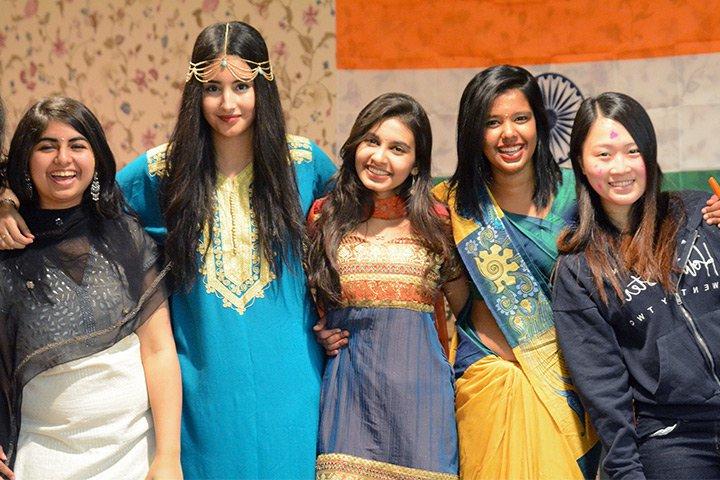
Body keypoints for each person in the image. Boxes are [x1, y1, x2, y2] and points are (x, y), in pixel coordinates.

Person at [0, 22, 335, 478]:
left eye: (242, 86)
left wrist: (339, 316)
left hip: (294, 384)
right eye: (213, 88)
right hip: (201, 395)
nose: (228, 103)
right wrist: (6, 201)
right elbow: (75, 193)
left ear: (265, 86)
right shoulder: (159, 173)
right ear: (194, 92)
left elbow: (363, 227)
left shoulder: (305, 163)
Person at [432, 65, 600, 479]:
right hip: (490, 382)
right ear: (473, 132)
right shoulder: (449, 207)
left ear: (539, 125)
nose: (509, 133)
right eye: (492, 122)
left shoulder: (578, 196)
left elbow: (641, 237)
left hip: (572, 391)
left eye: (520, 118)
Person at [0, 97, 181, 480]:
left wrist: (168, 457)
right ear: (25, 161)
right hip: (44, 459)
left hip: (135, 454)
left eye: (77, 145)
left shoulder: (128, 237)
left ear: (96, 158)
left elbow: (159, 349)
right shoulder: (7, 250)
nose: (63, 158)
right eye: (47, 146)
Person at [553, 92, 720, 480]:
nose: (620, 167)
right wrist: (626, 472)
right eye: (604, 155)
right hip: (672, 438)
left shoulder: (700, 212)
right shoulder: (579, 271)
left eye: (632, 151)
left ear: (649, 152)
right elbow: (605, 395)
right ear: (580, 163)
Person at [306, 93, 468, 478]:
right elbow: (305, 309)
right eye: (372, 141)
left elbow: (467, 313)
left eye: (398, 149)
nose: (380, 157)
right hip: (348, 403)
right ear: (355, 144)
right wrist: (318, 332)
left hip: (423, 408)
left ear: (415, 164)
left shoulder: (437, 223)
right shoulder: (323, 218)